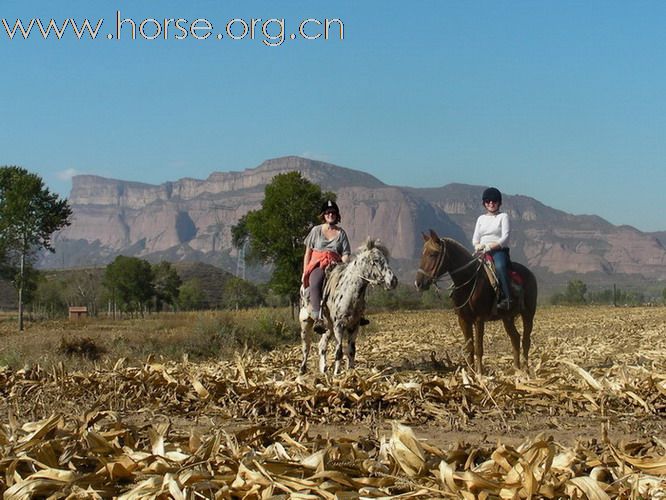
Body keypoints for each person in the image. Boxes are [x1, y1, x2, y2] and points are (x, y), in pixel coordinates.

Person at [302, 200, 352, 333]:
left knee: (353, 284)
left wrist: (344, 265)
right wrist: (305, 271)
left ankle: (355, 313)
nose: (331, 215)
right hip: (318, 263)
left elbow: (346, 253)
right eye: (328, 212)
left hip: (335, 264)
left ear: (337, 215)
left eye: (333, 212)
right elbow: (308, 252)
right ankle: (318, 317)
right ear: (323, 215)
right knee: (315, 282)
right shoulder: (316, 230)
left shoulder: (341, 233)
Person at [472, 187, 513, 310]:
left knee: (500, 267)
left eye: (494, 201)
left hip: (498, 251)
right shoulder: (481, 218)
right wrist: (477, 245)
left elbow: (505, 237)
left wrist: (489, 246)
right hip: (481, 251)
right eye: (488, 201)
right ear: (484, 203)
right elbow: (475, 237)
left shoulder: (503, 217)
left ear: (499, 202)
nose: (491, 203)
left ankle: (507, 298)